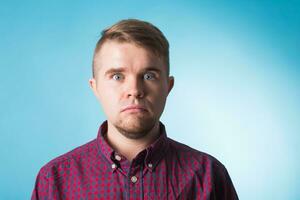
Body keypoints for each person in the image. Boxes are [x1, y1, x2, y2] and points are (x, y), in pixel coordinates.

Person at [32, 19, 238, 199]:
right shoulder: (54, 180)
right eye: (117, 76)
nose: (134, 90)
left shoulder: (208, 176)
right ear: (95, 88)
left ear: (168, 86)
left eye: (149, 76)